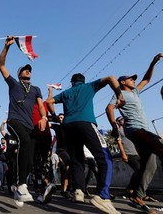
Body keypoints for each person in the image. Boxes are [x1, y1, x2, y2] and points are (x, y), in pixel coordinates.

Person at [47, 73, 124, 214]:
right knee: (105, 158)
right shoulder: (89, 86)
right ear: (83, 81)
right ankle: (103, 196)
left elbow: (49, 101)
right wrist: (119, 94)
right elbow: (111, 78)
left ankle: (78, 191)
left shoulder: (66, 93)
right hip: (86, 123)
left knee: (76, 159)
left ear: (72, 82)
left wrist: (54, 116)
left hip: (68, 127)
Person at [106, 53, 163, 212]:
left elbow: (146, 79)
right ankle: (138, 195)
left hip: (143, 130)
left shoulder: (135, 92)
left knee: (149, 164)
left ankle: (138, 195)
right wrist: (114, 127)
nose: (134, 81)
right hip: (136, 130)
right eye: (131, 79)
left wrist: (153, 63)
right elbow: (109, 108)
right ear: (122, 82)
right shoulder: (120, 94)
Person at [0, 35, 47, 203]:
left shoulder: (36, 89)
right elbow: (1, 65)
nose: (28, 71)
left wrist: (44, 117)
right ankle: (21, 185)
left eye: (30, 69)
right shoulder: (13, 83)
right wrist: (7, 47)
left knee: (30, 160)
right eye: (25, 69)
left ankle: (17, 186)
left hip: (29, 125)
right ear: (19, 73)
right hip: (14, 120)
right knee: (24, 141)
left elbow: (40, 106)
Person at [116, 116, 157, 202]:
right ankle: (131, 189)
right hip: (128, 153)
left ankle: (140, 193)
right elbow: (119, 142)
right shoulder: (118, 130)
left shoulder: (129, 129)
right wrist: (123, 154)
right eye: (121, 120)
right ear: (118, 122)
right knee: (139, 169)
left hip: (136, 153)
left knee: (142, 171)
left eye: (123, 119)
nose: (123, 120)